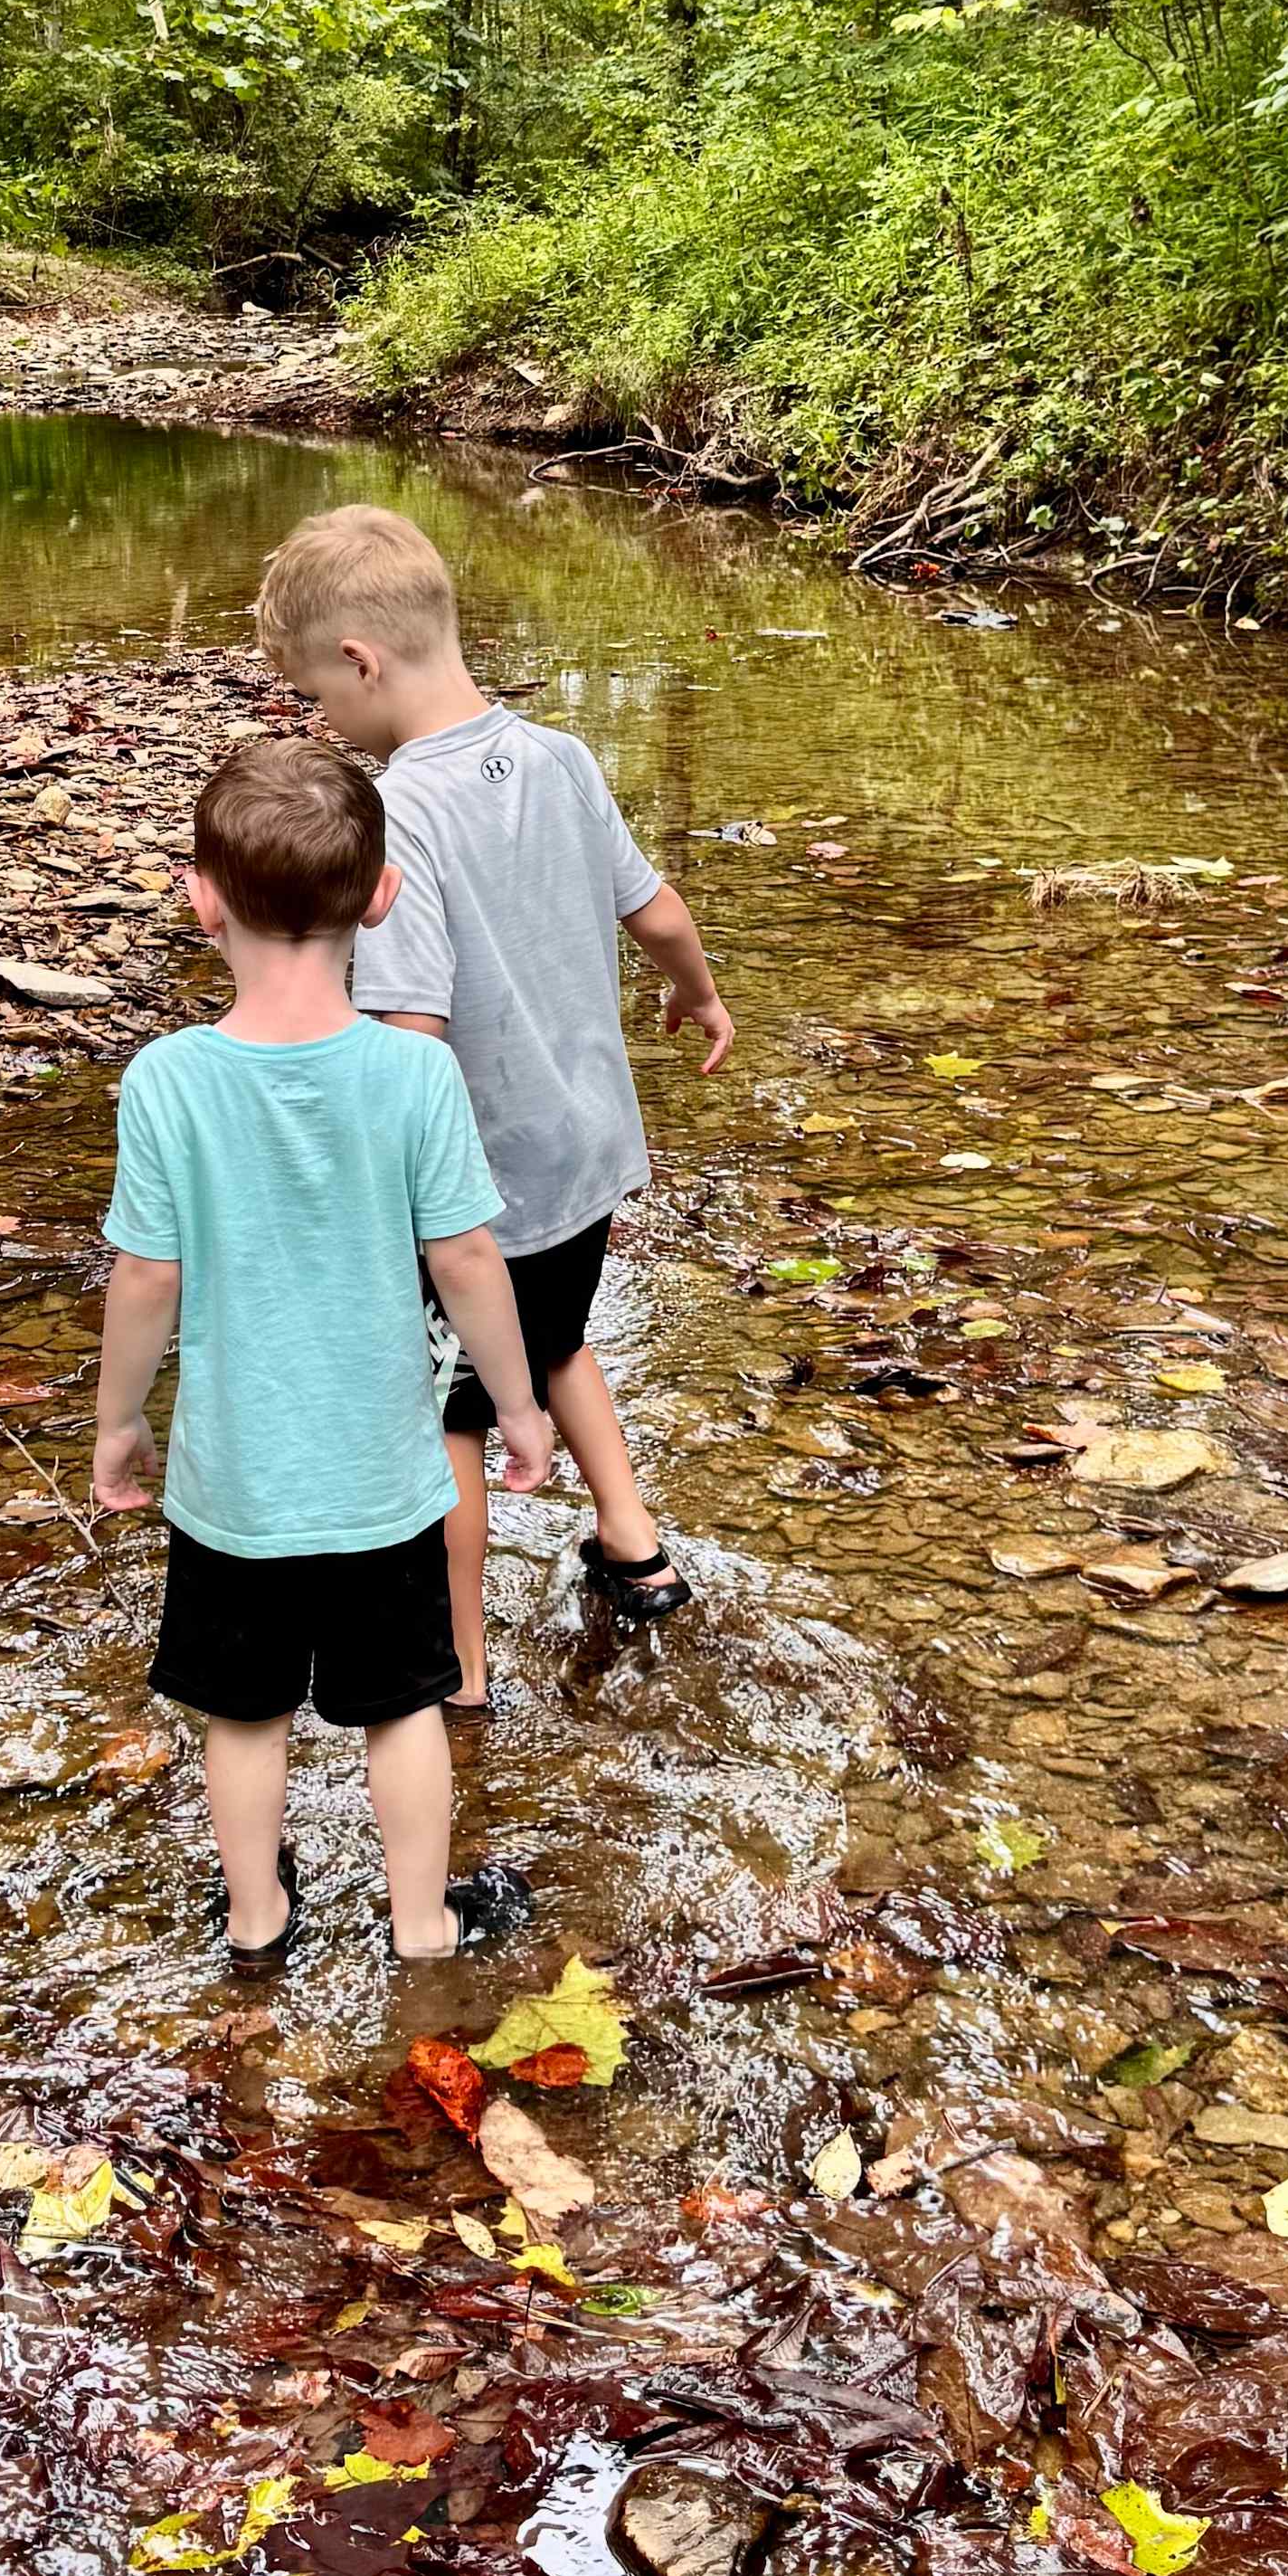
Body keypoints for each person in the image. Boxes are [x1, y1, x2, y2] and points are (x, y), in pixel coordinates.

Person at [252, 499, 733, 1704]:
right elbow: (659, 911)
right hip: (589, 1154)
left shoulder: (402, 811)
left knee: (451, 1417)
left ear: (360, 662)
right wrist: (698, 999)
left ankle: (457, 1668)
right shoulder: (563, 758)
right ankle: (635, 1549)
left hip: (482, 1183)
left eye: (321, 696)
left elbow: (413, 1035)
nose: (328, 721)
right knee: (554, 1334)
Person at [92, 731, 554, 1965]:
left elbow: (148, 1277)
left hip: (235, 1487)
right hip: (382, 1482)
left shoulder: (168, 1081)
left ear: (200, 898)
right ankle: (420, 1926)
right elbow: (465, 1262)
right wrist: (515, 1405)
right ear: (382, 894)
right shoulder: (414, 1074)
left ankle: (256, 1917)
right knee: (403, 1703)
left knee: (241, 1716)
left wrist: (119, 1421)